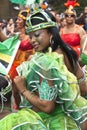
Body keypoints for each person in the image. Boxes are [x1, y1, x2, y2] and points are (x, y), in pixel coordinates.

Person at [0, 8, 87, 130]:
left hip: (51, 123)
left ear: (51, 33)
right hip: (72, 119)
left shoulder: (45, 63)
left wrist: (23, 89)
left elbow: (47, 107)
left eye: (37, 35)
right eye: (30, 36)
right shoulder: (67, 52)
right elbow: (83, 88)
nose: (33, 40)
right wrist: (66, 96)